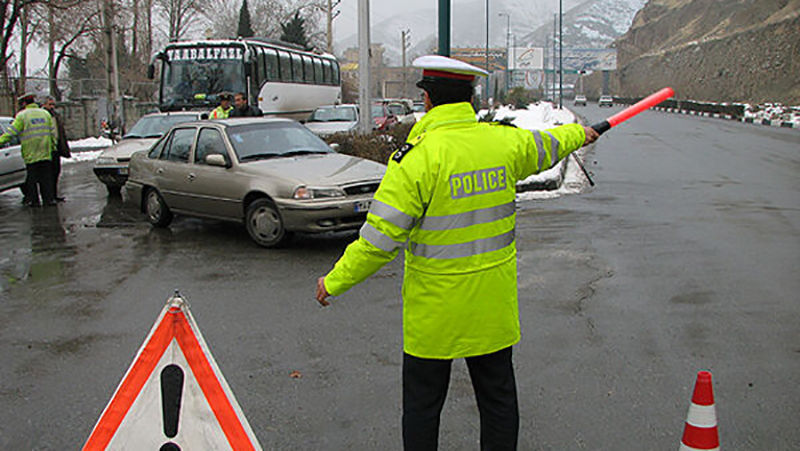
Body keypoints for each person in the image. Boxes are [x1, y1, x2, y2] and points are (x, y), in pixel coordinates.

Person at [315, 55, 599, 450]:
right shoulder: (504, 143)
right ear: (468, 98)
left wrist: (334, 281)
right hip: (491, 310)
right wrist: (580, 133)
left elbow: (378, 241)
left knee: (422, 408)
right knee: (498, 401)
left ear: (428, 100)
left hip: (435, 317)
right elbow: (550, 144)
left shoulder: (417, 159)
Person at [0, 93, 58, 207]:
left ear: (24, 103)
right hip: (45, 152)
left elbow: (11, 133)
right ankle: (48, 199)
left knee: (32, 178)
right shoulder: (45, 114)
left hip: (31, 153)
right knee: (46, 178)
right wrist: (53, 147)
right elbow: (52, 134)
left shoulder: (22, 116)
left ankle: (34, 201)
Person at [42, 96, 71, 202]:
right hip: (46, 148)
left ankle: (54, 194)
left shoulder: (56, 116)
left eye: (53, 104)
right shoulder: (43, 116)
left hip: (56, 147)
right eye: (49, 104)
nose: (52, 107)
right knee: (48, 174)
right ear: (44, 105)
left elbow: (60, 132)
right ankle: (48, 196)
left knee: (56, 172)